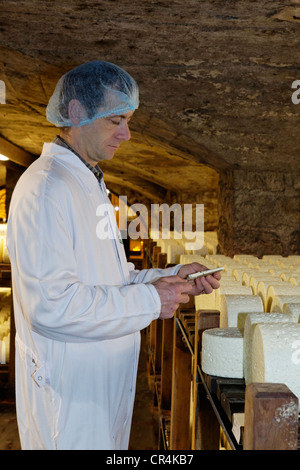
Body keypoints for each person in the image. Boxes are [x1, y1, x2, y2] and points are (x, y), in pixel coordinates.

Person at [6, 61, 221, 450]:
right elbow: (52, 305)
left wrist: (173, 277)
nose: (127, 134)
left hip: (99, 383)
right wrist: (154, 299)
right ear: (76, 112)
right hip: (70, 395)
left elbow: (112, 278)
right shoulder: (47, 188)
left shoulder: (88, 181)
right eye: (116, 121)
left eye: (128, 120)